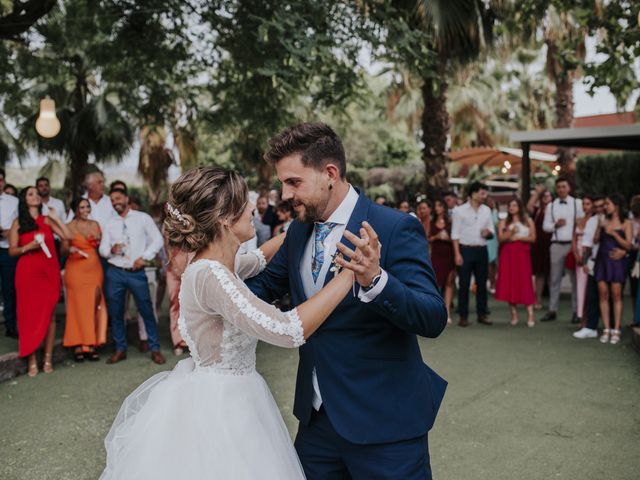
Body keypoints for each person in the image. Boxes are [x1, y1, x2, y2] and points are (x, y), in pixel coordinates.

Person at [100, 166, 360, 479]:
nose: (254, 208)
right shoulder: (211, 276)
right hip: (222, 407)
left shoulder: (215, 262)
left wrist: (295, 230)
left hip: (231, 392)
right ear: (224, 218)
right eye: (245, 204)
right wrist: (349, 274)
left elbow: (259, 258)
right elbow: (287, 329)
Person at [247, 123, 447, 479]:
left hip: (386, 424)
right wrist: (210, 273)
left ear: (330, 173)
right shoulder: (298, 230)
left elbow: (432, 317)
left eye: (293, 182)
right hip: (317, 424)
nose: (285, 193)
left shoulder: (394, 227)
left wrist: (376, 280)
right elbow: (261, 287)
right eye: (282, 183)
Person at [99, 187, 166, 365]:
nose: (115, 202)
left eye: (118, 198)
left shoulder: (142, 218)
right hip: (115, 271)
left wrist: (145, 257)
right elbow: (102, 249)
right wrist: (110, 250)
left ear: (127, 198)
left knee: (146, 310)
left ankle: (155, 348)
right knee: (116, 312)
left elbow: (158, 240)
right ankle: (120, 349)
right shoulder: (109, 223)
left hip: (136, 272)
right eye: (112, 200)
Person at [9, 187, 71, 376]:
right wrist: (28, 246)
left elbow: (68, 236)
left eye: (37, 194)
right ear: (24, 200)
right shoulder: (18, 223)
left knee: (50, 315)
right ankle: (32, 359)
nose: (35, 196)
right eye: (30, 194)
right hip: (27, 273)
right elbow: (12, 250)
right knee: (28, 316)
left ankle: (48, 358)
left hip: (48, 273)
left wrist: (57, 217)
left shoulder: (47, 220)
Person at [62, 197, 107, 361]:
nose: (86, 209)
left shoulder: (95, 224)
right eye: (82, 207)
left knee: (94, 303)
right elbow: (63, 251)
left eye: (87, 206)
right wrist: (69, 248)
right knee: (77, 306)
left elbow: (102, 245)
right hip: (75, 269)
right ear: (75, 209)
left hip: (94, 269)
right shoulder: (68, 227)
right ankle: (79, 345)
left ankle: (91, 343)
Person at [452, 181, 495, 327]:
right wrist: (457, 254)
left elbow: (491, 232)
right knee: (464, 284)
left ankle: (482, 314)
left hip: (482, 249)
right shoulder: (459, 210)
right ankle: (463, 316)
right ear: (473, 193)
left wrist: (488, 233)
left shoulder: (487, 210)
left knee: (482, 283)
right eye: (482, 193)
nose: (485, 196)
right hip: (465, 250)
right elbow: (455, 234)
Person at [541, 177, 583, 322]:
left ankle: (577, 311)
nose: (561, 189)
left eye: (563, 186)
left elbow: (582, 223)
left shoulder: (578, 204)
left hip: (573, 245)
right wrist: (555, 225)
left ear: (569, 188)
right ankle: (552, 310)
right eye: (558, 187)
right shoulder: (551, 206)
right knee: (554, 279)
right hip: (556, 244)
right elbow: (545, 227)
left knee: (575, 280)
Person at [595, 194, 632, 344]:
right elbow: (595, 240)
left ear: (616, 205)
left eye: (607, 204)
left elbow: (628, 245)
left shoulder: (626, 223)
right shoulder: (603, 221)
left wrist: (614, 234)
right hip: (602, 261)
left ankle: (616, 329)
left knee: (616, 295)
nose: (605, 207)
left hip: (616, 262)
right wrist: (599, 226)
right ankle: (606, 328)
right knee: (603, 294)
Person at [495, 198, 537, 327]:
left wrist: (519, 237)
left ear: (519, 206)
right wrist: (510, 232)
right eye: (510, 205)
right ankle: (513, 313)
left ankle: (530, 313)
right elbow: (501, 238)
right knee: (510, 281)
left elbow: (533, 238)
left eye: (514, 205)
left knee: (525, 281)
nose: (511, 207)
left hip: (522, 253)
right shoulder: (503, 222)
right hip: (508, 253)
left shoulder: (528, 221)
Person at [573, 195, 605, 339]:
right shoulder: (592, 221)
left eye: (601, 206)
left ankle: (609, 327)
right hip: (594, 261)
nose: (599, 209)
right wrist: (585, 262)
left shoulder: (616, 221)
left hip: (611, 262)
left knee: (609, 295)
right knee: (592, 295)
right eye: (596, 206)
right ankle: (591, 327)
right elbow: (588, 243)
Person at [429, 198, 455, 323]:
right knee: (436, 283)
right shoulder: (431, 221)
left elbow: (456, 238)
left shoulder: (451, 222)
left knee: (449, 283)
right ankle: (436, 312)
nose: (437, 208)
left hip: (449, 254)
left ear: (444, 207)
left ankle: (448, 312)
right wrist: (437, 237)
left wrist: (448, 238)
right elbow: (427, 238)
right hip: (436, 254)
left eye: (439, 205)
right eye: (436, 206)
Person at [0, 169, 19, 338]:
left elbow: (22, 223)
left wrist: (10, 232)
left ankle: (11, 325)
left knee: (9, 289)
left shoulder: (14, 201)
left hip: (8, 249)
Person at [527, 184, 553, 309]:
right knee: (539, 274)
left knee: (552, 274)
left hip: (552, 244)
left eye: (548, 196)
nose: (546, 198)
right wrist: (537, 193)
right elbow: (528, 207)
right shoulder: (538, 211)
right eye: (544, 196)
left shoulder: (555, 210)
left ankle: (553, 302)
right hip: (539, 246)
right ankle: (537, 300)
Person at [572, 195, 594, 326]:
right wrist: (576, 255)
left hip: (590, 255)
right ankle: (581, 317)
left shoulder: (595, 220)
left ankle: (590, 316)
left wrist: (586, 258)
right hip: (579, 256)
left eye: (588, 204)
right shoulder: (578, 220)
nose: (585, 207)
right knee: (580, 286)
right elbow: (573, 239)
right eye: (584, 204)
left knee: (589, 287)